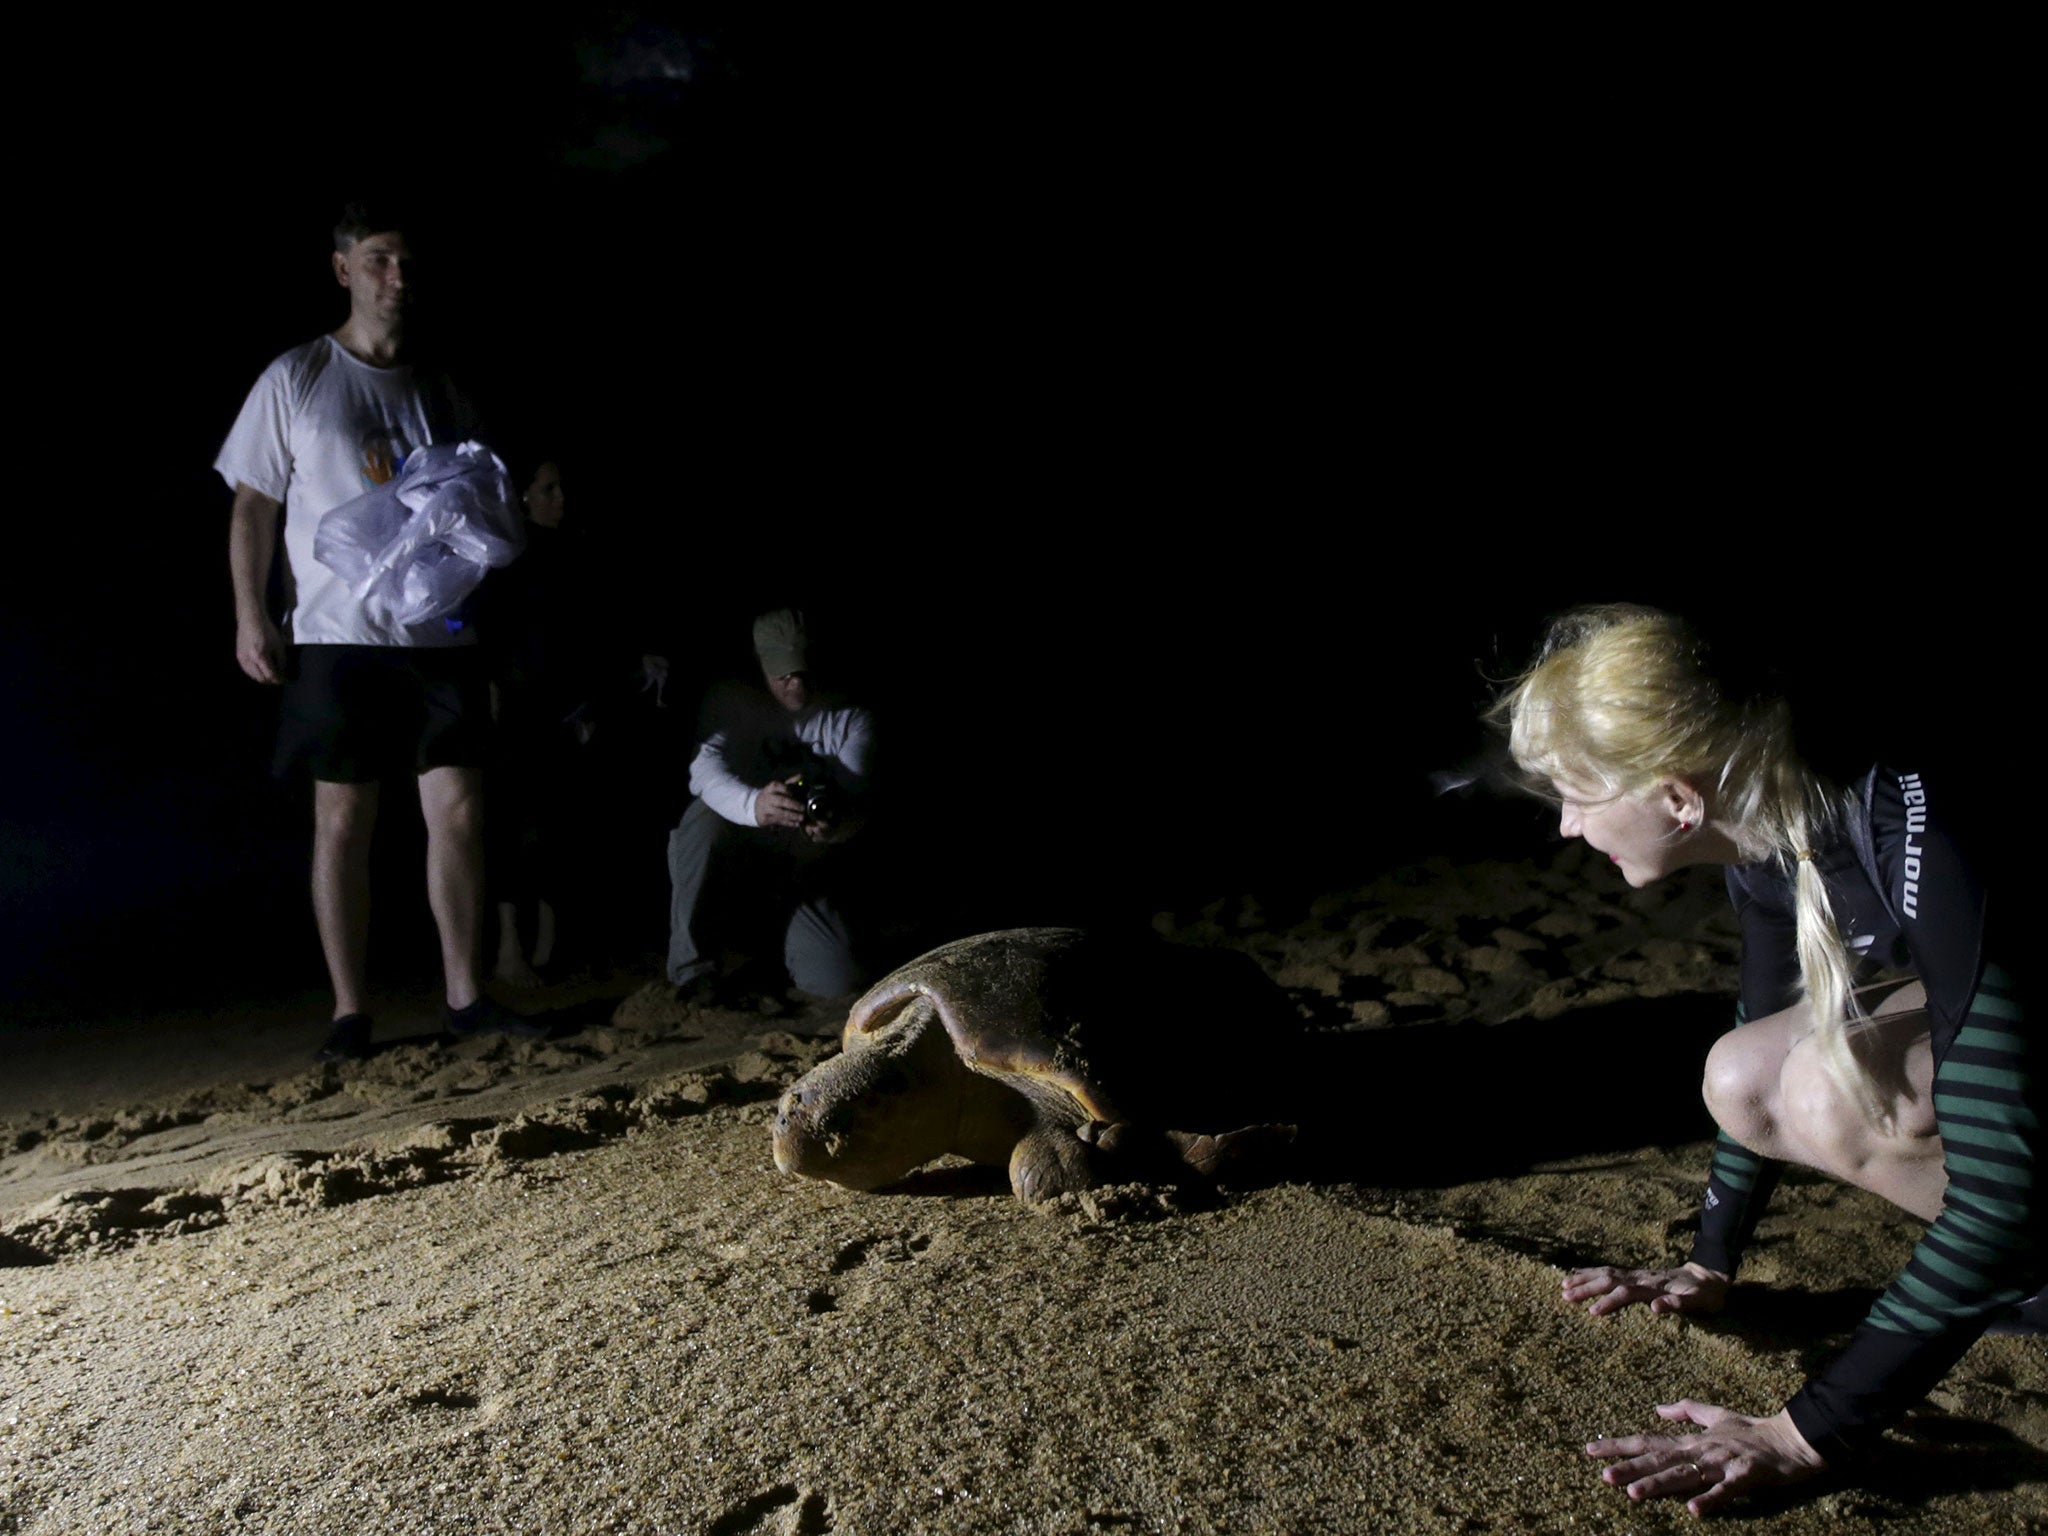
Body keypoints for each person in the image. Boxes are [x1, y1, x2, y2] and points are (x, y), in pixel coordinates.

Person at [1493, 604, 2039, 1514]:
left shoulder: (1928, 821)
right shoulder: (1768, 824)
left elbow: (2003, 1185)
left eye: (1575, 796)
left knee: (1842, 1091)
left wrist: (1808, 1432)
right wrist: (1711, 1261)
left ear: (1675, 797)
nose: (1565, 828)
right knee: (1746, 1073)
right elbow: (1764, 1019)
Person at [218, 200, 539, 1060]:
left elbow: (480, 507)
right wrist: (253, 613)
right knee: (343, 821)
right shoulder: (299, 375)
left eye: (407, 263)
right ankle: (350, 1012)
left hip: (442, 635)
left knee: (461, 810)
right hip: (335, 632)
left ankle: (468, 997)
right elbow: (254, 503)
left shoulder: (443, 387)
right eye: (379, 259)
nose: (397, 278)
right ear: (343, 268)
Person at [665, 609, 874, 1003]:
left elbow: (858, 800)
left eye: (801, 670)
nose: (793, 681)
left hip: (802, 867)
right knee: (701, 820)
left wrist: (834, 825)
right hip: (741, 854)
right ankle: (692, 972)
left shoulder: (852, 717)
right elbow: (703, 770)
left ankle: (776, 956)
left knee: (838, 980)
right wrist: (754, 804)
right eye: (781, 672)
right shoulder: (730, 700)